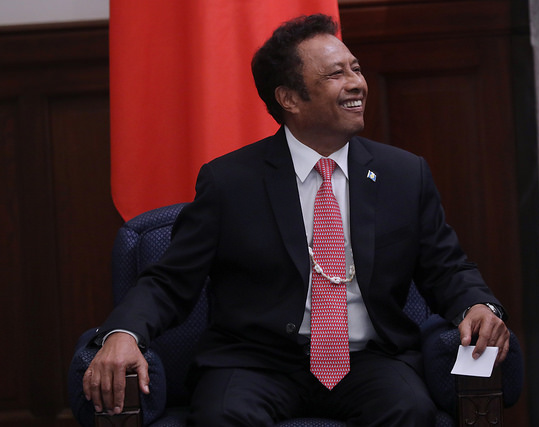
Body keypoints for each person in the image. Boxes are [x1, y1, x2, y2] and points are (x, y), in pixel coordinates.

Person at [83, 14, 510, 426]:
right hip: (256, 362)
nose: (357, 83)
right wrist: (123, 333)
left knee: (410, 411)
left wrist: (478, 305)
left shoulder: (404, 174)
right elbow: (170, 281)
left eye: (355, 69)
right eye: (336, 74)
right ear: (289, 98)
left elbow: (445, 267)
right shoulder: (230, 182)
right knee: (222, 416)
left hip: (369, 359)